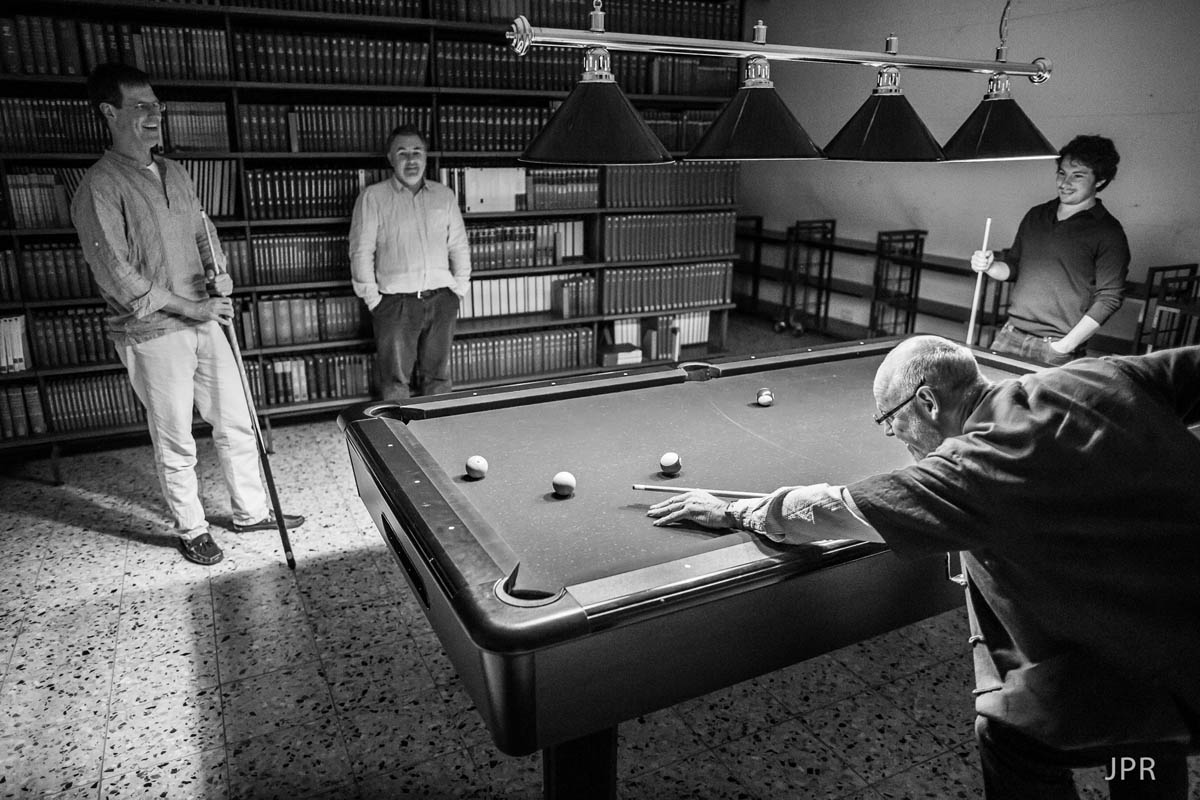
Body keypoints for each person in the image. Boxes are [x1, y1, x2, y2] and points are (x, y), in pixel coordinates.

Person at [648, 335, 1200, 799]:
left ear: (928, 403)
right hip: (1172, 623)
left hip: (1166, 666)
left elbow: (828, 510)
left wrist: (730, 510)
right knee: (1144, 742)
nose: (893, 437)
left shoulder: (973, 468)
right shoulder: (1094, 377)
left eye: (890, 421)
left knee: (1010, 731)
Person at [70, 63, 304, 566]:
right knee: (176, 437)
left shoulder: (175, 171)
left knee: (237, 420)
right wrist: (192, 305)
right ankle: (191, 527)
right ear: (108, 113)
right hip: (153, 332)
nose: (155, 115)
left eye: (156, 105)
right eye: (140, 106)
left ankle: (251, 510)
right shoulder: (98, 187)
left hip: (206, 318)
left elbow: (204, 233)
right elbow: (117, 274)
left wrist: (220, 274)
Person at [971, 135, 1131, 366]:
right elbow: (1014, 265)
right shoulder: (1036, 215)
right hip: (1010, 335)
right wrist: (990, 266)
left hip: (1056, 346)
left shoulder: (1109, 232)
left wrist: (1065, 346)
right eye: (1061, 173)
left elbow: (1110, 298)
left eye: (1078, 176)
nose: (1065, 183)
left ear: (1099, 181)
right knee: (989, 401)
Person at [350, 124, 471, 400]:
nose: (411, 159)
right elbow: (360, 251)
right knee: (395, 383)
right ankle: (397, 439)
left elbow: (459, 245)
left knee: (438, 379)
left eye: (417, 151)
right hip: (395, 305)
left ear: (426, 156)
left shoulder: (444, 196)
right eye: (402, 153)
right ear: (390, 158)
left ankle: (439, 434)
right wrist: (373, 300)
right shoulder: (373, 198)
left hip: (442, 300)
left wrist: (459, 290)